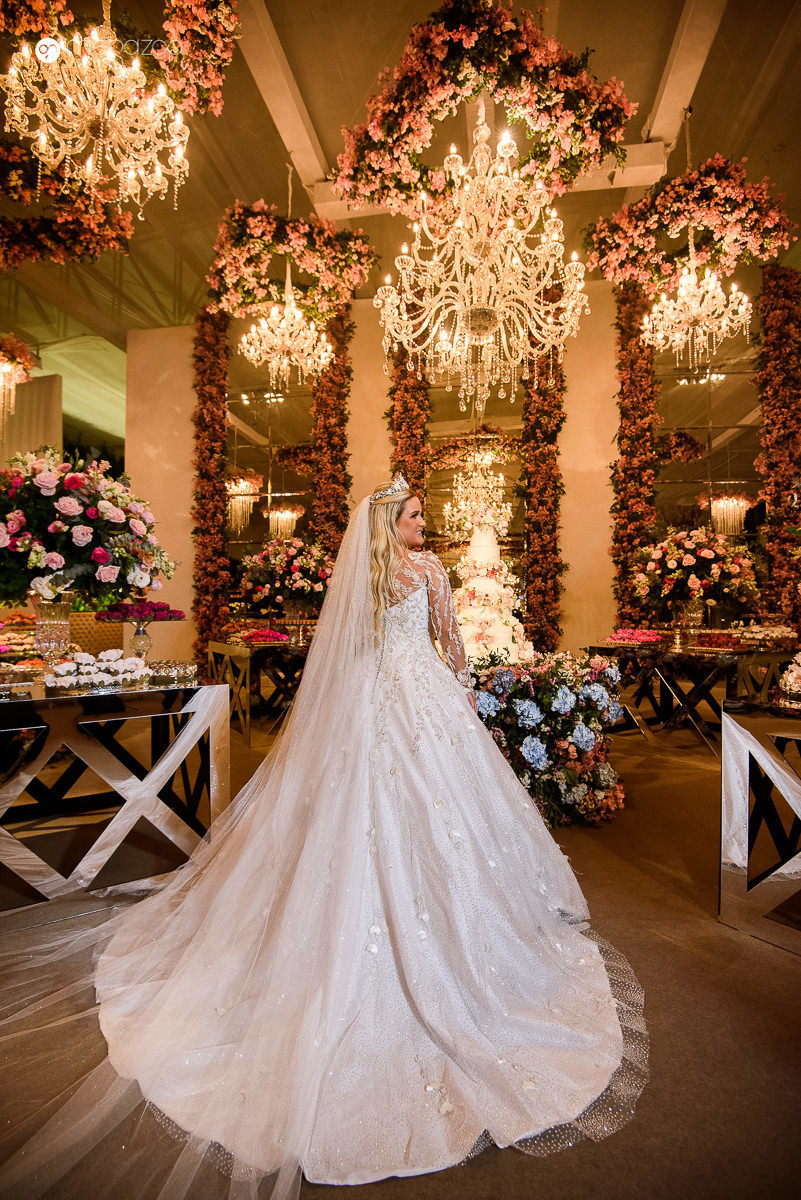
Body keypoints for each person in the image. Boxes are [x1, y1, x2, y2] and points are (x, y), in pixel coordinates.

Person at [0, 475, 647, 1200]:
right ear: (392, 522)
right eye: (414, 516)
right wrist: (454, 686)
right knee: (444, 814)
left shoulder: (362, 573)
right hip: (425, 702)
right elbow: (453, 648)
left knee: (353, 808)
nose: (423, 525)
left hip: (369, 703)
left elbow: (345, 652)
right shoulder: (430, 572)